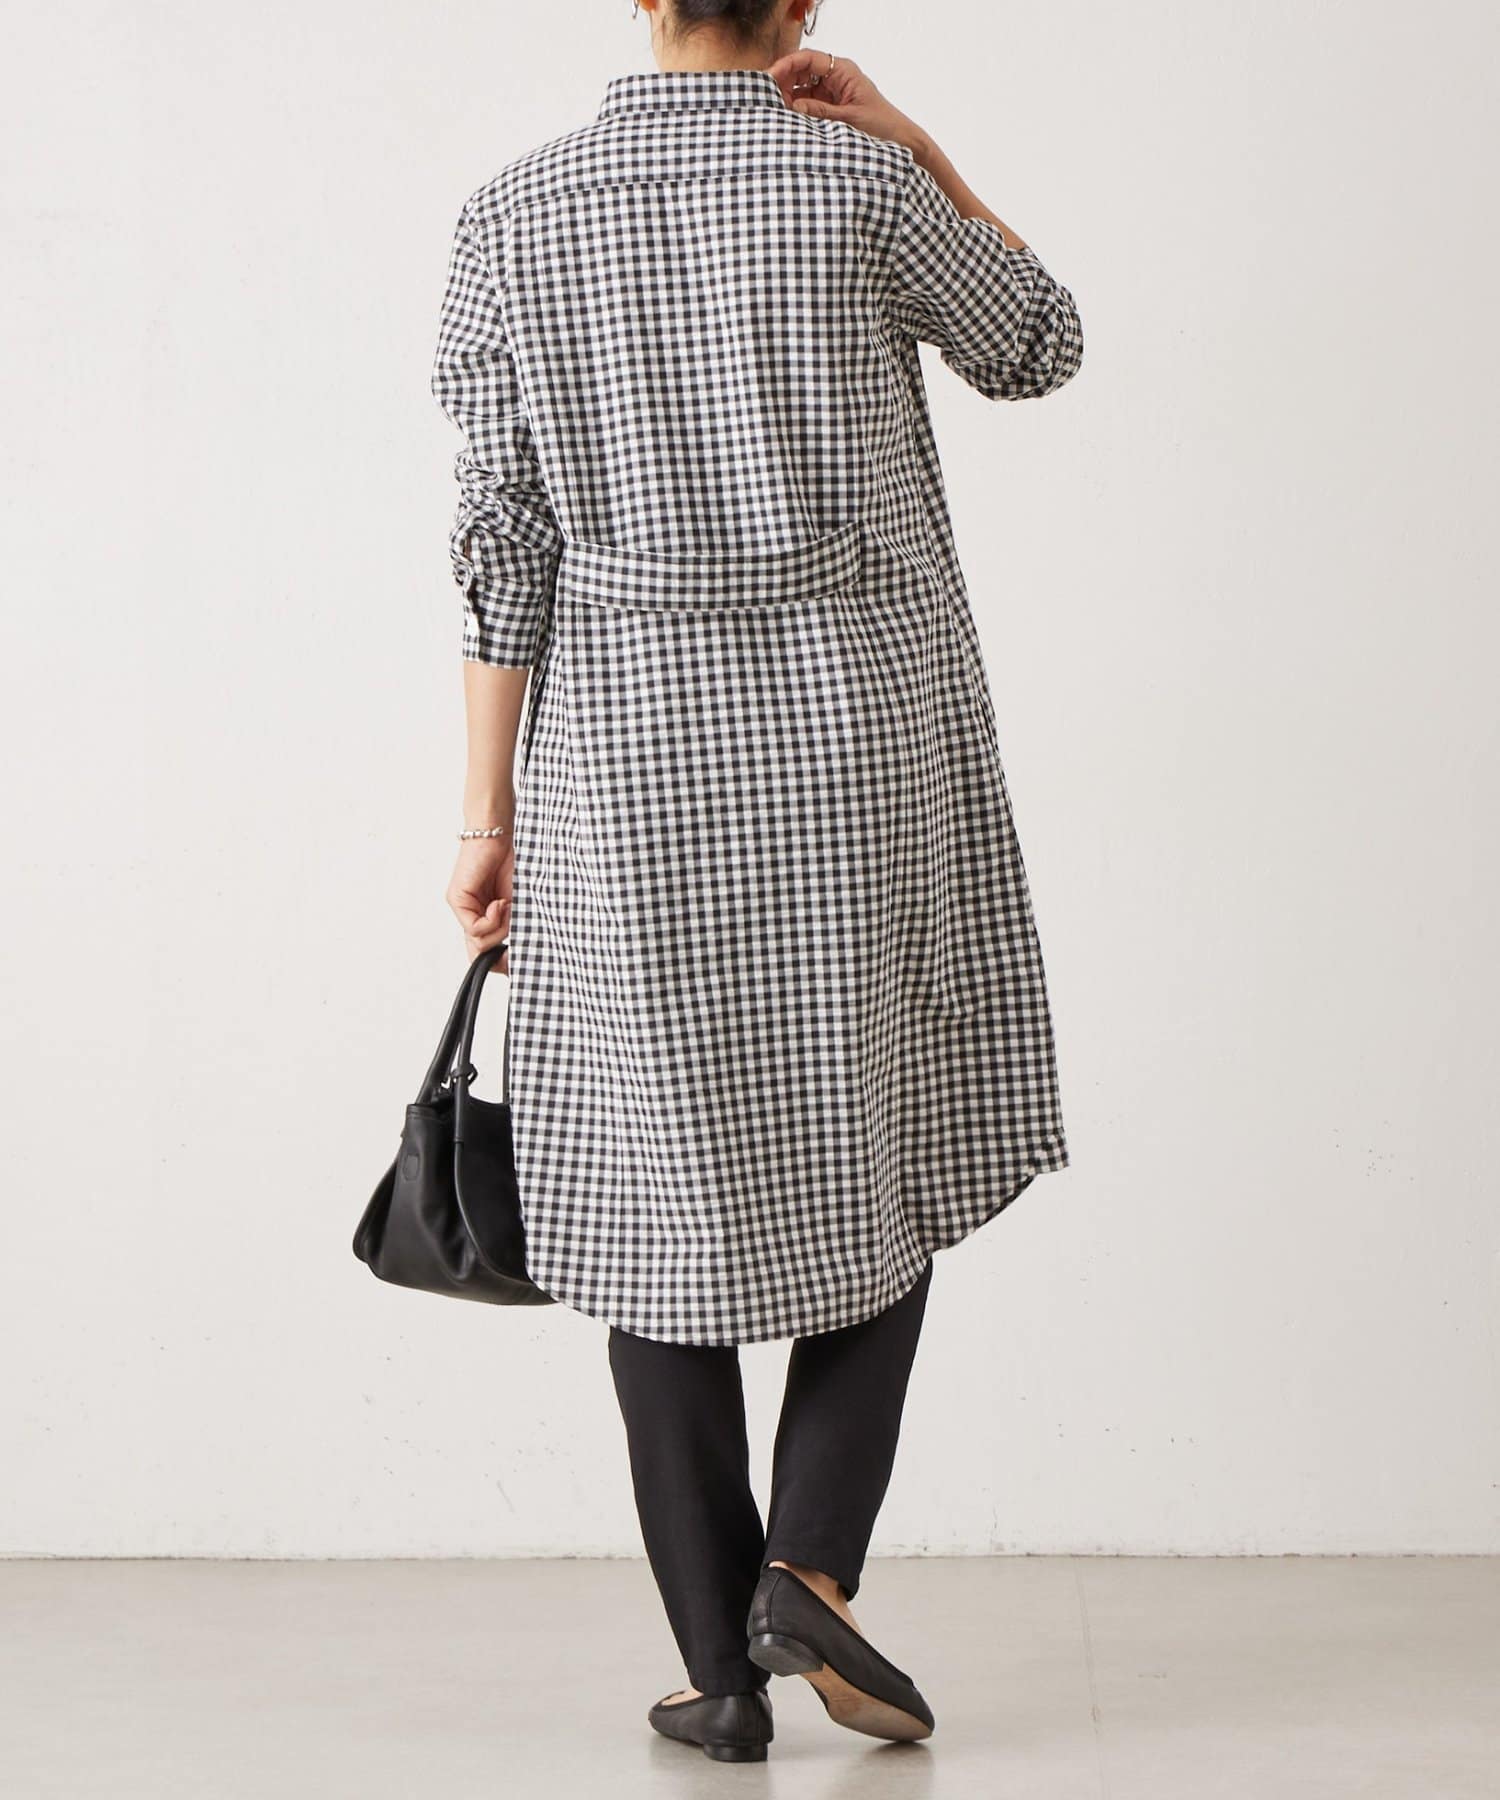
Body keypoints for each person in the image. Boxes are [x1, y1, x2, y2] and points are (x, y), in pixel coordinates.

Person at [429, 0, 1083, 1764]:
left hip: (625, 761)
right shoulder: (855, 184)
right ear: (801, 9)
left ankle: (722, 1678)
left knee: (650, 1186)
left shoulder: (512, 213)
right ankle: (809, 1567)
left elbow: (502, 539)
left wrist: (486, 810)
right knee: (889, 1131)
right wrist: (914, 142)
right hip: (858, 740)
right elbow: (1039, 344)